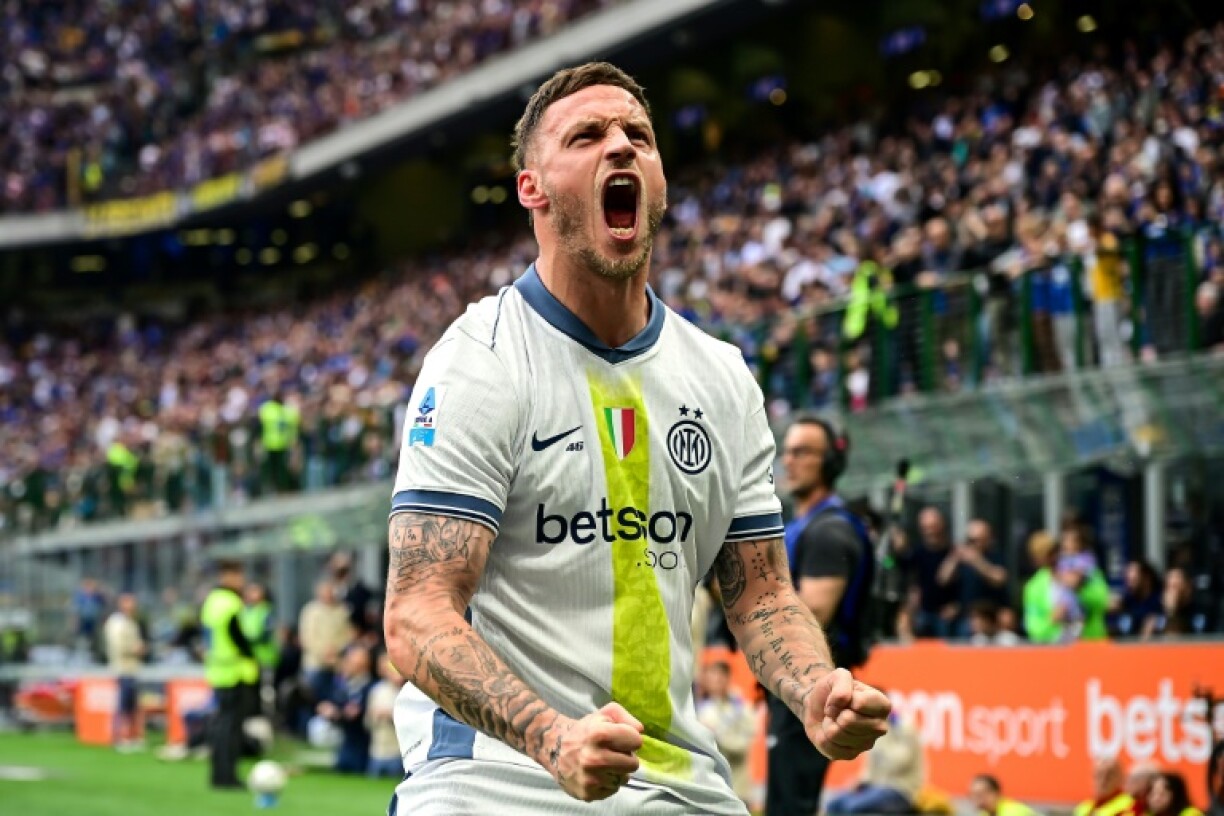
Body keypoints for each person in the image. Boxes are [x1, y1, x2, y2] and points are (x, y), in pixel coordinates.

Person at [383, 62, 890, 816]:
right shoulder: (480, 360)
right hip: (497, 778)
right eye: (586, 136)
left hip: (678, 783)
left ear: (658, 182)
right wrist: (551, 736)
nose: (620, 146)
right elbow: (417, 612)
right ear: (534, 189)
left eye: (639, 136)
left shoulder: (719, 377)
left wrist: (814, 689)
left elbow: (762, 596)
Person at [768, 414, 876, 815]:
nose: (789, 460)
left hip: (813, 685)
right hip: (797, 688)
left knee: (792, 804)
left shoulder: (830, 532)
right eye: (787, 451)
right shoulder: (807, 525)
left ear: (830, 462)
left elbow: (811, 615)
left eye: (803, 452)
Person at [200, 560, 258, 790]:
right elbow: (239, 638)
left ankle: (218, 774)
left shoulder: (211, 602)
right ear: (228, 576)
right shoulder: (231, 603)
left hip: (217, 671)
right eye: (238, 575)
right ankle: (228, 777)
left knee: (221, 726)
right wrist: (252, 653)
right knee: (231, 729)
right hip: (234, 672)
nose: (241, 581)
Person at [826, 713, 925, 814]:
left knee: (853, 806)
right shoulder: (874, 728)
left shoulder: (905, 727)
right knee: (834, 804)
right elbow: (871, 768)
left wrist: (888, 734)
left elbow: (898, 763)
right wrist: (860, 782)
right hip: (875, 788)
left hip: (900, 791)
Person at [695, 660, 758, 805]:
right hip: (710, 781)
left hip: (737, 782)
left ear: (727, 678)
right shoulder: (699, 705)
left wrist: (717, 736)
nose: (715, 682)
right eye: (711, 677)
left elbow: (745, 741)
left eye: (719, 677)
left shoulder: (740, 706)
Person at [104, 592, 146, 752]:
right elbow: (118, 646)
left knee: (132, 706)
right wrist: (134, 648)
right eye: (129, 602)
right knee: (122, 705)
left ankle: (131, 736)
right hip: (122, 668)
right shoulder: (117, 623)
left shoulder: (130, 622)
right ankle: (119, 737)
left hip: (132, 669)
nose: (132, 606)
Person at [365, 652, 404, 779]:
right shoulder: (377, 691)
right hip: (377, 751)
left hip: (398, 752)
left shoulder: (407, 692)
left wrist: (391, 715)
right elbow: (367, 723)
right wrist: (374, 716)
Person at [970, 773, 1044, 816]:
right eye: (973, 794)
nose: (977, 799)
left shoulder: (1014, 812)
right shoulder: (984, 814)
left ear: (995, 793)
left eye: (980, 794)